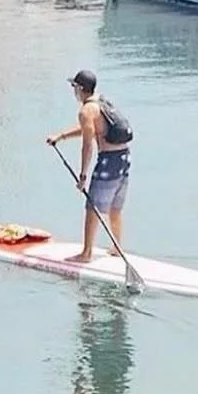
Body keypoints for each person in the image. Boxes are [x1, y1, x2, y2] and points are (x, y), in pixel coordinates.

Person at [47, 70, 131, 263]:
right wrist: (61, 136)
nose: (73, 91)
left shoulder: (85, 111)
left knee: (92, 207)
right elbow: (92, 129)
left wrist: (83, 175)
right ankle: (117, 248)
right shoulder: (101, 101)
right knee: (115, 208)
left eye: (74, 87)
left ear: (81, 89)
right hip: (124, 158)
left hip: (109, 160)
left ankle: (86, 254)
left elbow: (87, 144)